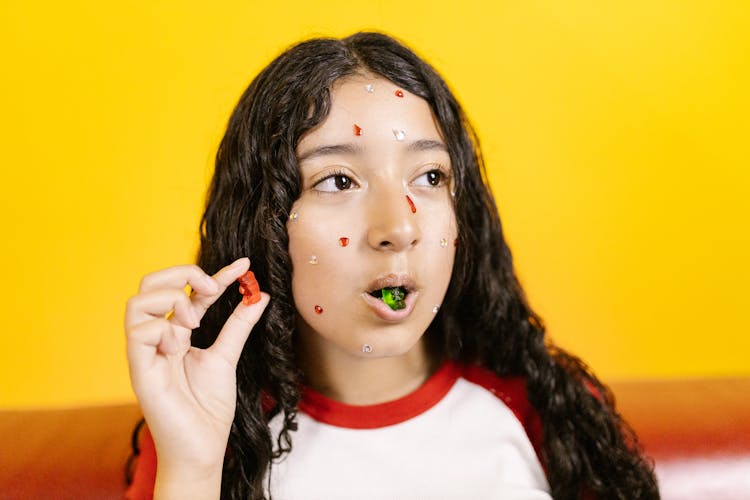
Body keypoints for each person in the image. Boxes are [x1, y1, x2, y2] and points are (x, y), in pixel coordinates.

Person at [124, 32, 659, 499]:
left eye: (429, 177)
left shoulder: (544, 405)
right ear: (262, 221)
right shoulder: (206, 429)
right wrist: (191, 468)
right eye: (338, 181)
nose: (398, 229)